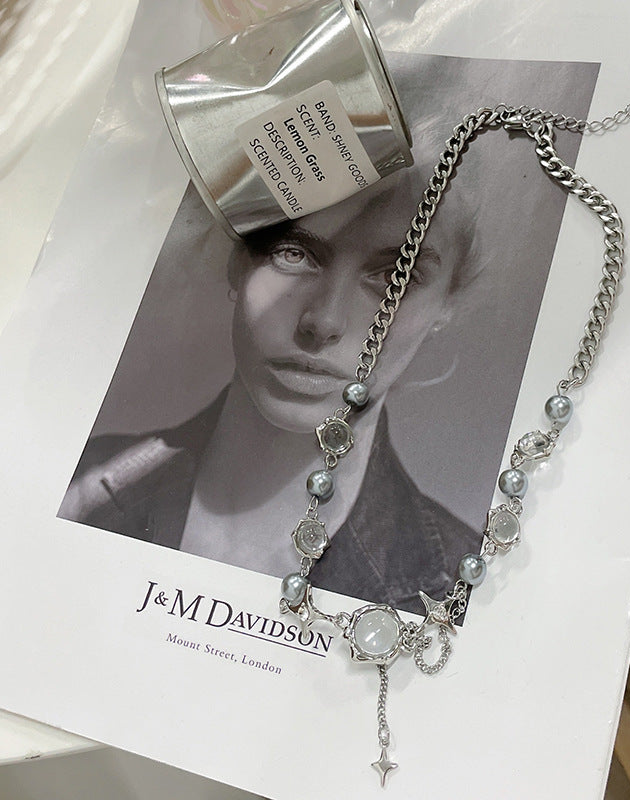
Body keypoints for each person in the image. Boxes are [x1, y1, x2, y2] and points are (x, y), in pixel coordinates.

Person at [58, 150, 487, 614]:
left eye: (395, 276)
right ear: (237, 260)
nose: (323, 322)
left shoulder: (459, 591)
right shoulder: (69, 486)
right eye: (293, 252)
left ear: (446, 304)